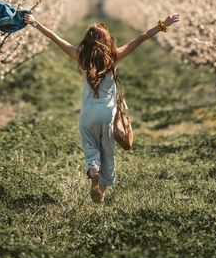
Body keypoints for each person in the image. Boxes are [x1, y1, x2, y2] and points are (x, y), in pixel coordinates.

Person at [23, 12, 180, 203]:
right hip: (108, 113)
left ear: (87, 41)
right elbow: (141, 38)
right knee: (108, 152)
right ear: (106, 40)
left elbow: (56, 38)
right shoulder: (114, 58)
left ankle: (94, 171)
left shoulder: (81, 58)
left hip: (87, 113)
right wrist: (164, 24)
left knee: (91, 148)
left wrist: (35, 23)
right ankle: (101, 192)